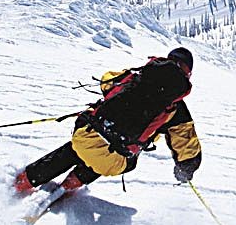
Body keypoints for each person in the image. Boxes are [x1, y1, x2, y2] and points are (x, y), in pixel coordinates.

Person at [13, 47, 202, 195]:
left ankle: (27, 179)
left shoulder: (138, 76)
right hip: (113, 159)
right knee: (124, 156)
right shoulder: (176, 110)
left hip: (85, 135)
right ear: (187, 76)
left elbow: (106, 81)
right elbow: (188, 151)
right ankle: (75, 181)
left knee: (82, 144)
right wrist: (185, 171)